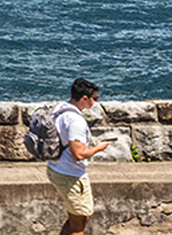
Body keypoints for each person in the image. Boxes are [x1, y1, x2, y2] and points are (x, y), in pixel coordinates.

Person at [48, 78, 112, 235]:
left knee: (79, 216)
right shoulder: (76, 120)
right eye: (94, 99)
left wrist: (90, 142)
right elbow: (78, 154)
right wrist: (98, 148)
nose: (95, 103)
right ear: (84, 98)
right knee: (79, 223)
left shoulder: (60, 108)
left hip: (57, 167)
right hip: (71, 174)